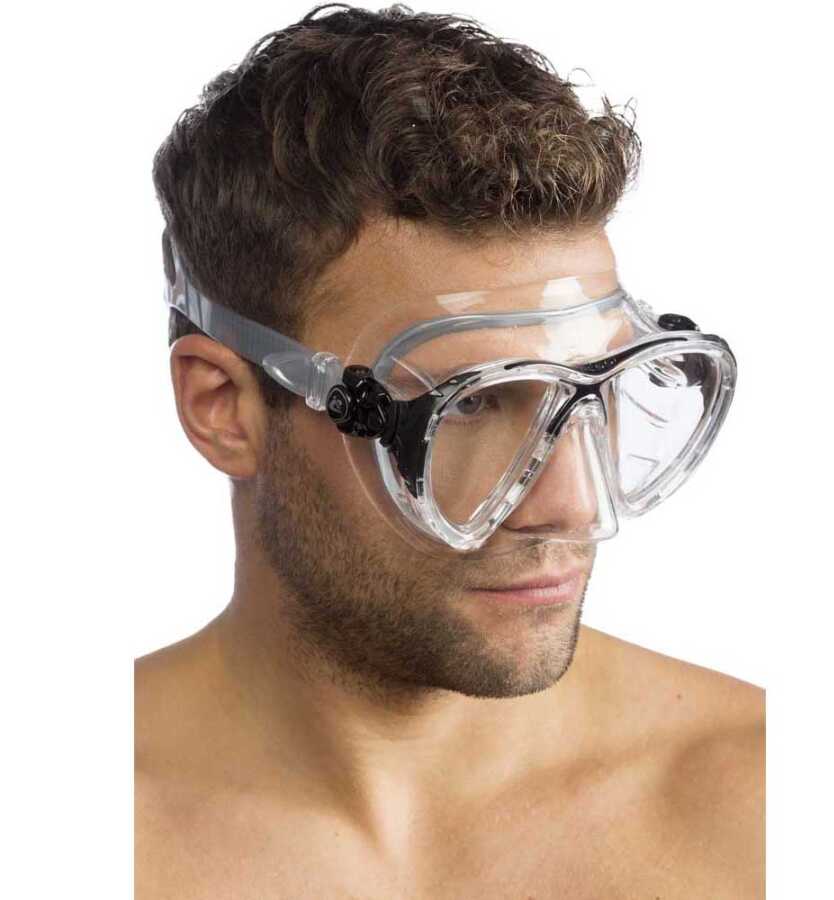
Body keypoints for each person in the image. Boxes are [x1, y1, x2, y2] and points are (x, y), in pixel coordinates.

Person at [136, 4, 765, 897]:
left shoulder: (762, 803)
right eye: (468, 405)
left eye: (593, 392)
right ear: (223, 409)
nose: (573, 506)